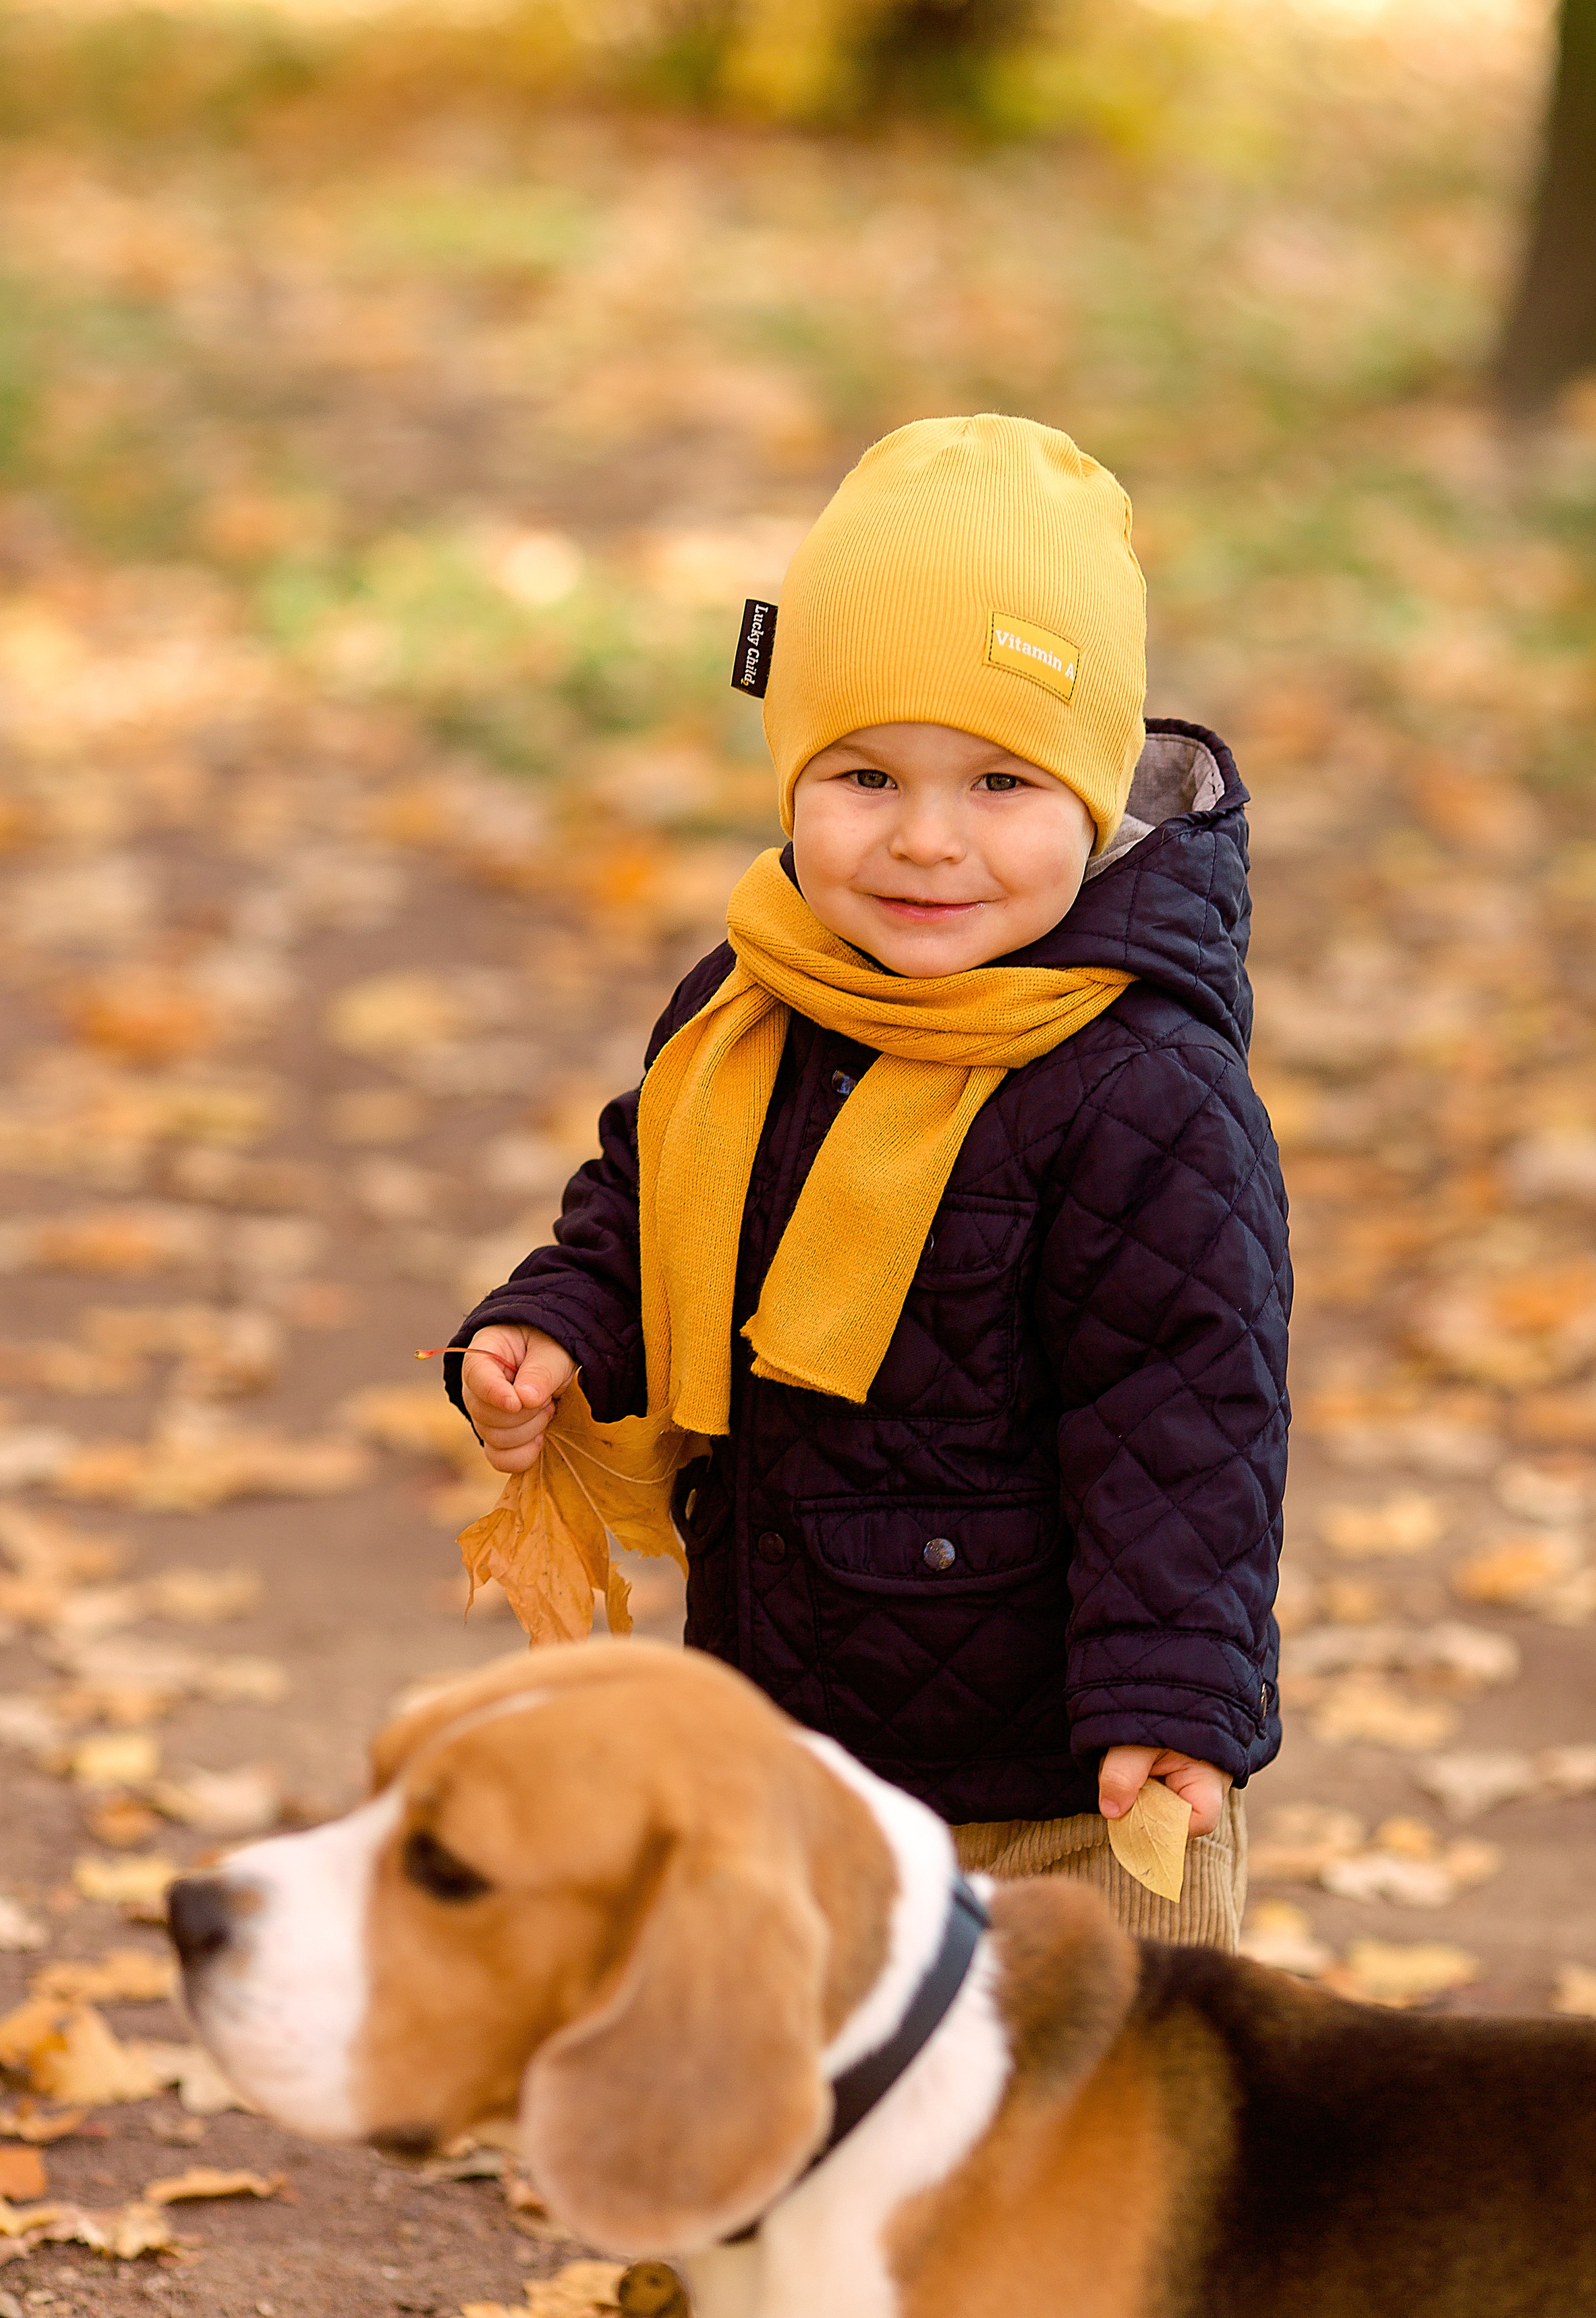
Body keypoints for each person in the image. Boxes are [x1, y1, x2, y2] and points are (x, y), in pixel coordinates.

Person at [448, 414, 1288, 1945]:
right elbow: (643, 1199)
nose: (922, 842)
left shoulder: (1136, 1087)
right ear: (788, 773)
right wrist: (560, 1320)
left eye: (998, 787)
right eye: (863, 775)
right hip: (787, 1728)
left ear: (1094, 797)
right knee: (800, 2111)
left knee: (1067, 2137)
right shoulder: (752, 995)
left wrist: (1172, 1692)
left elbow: (1188, 1415)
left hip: (1055, 1788)